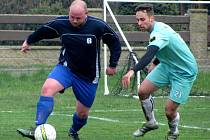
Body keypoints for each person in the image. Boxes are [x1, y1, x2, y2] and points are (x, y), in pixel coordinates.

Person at [17, 0, 121, 140]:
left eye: (78, 18)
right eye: (72, 17)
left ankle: (73, 131)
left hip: (88, 76)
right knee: (47, 89)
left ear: (86, 14)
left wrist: (113, 65)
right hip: (66, 68)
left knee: (82, 114)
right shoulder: (61, 23)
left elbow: (115, 42)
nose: (74, 20)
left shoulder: (98, 26)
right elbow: (43, 31)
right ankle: (38, 128)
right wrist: (28, 41)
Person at [122, 4, 198, 140]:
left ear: (151, 18)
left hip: (184, 72)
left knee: (169, 111)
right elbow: (166, 48)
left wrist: (132, 71)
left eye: (142, 19)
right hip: (167, 66)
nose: (139, 23)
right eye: (137, 20)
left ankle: (173, 132)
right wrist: (156, 63)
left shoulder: (159, 32)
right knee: (142, 91)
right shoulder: (157, 29)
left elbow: (149, 53)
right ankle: (151, 122)